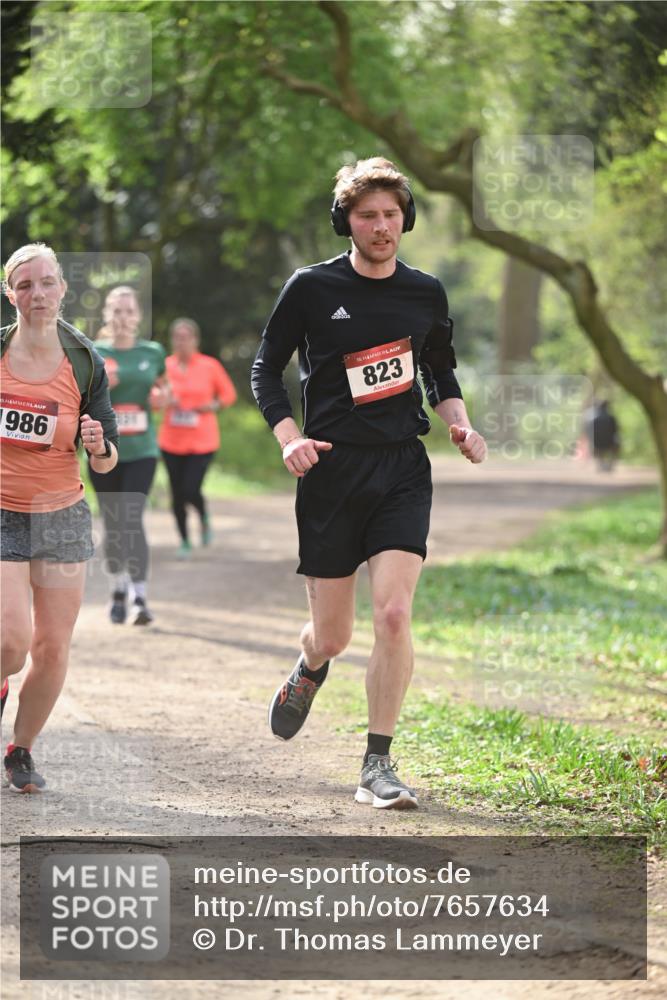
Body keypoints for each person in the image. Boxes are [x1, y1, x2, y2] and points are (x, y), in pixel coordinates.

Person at [251, 157, 487, 810]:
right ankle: (311, 665)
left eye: (390, 214)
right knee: (332, 636)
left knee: (393, 613)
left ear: (405, 219)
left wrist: (460, 423)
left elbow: (439, 368)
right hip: (330, 470)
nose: (381, 226)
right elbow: (265, 369)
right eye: (366, 216)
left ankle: (377, 764)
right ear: (345, 222)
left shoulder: (425, 292)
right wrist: (289, 438)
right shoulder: (311, 287)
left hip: (401, 469)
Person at [1, 243, 118, 792]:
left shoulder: (85, 360)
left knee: (51, 649)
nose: (38, 294)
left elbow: (107, 456)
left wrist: (98, 445)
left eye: (46, 282)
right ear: (11, 295)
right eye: (25, 285)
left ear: (62, 288)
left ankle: (20, 750)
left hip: (62, 517)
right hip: (2, 511)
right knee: (11, 641)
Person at [90, 286, 167, 625]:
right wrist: (102, 386)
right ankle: (118, 590)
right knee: (112, 522)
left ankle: (140, 598)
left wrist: (163, 398)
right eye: (117, 311)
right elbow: (77, 397)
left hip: (142, 450)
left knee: (132, 518)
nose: (123, 317)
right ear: (107, 314)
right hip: (103, 450)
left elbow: (164, 389)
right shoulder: (94, 352)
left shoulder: (153, 351)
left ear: (138, 315)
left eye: (129, 311)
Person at [158, 317, 237, 557]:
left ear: (195, 340)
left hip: (202, 440)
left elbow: (228, 394)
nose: (181, 342)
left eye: (185, 337)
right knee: (176, 493)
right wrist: (163, 399)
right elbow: (153, 395)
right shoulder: (165, 366)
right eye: (177, 337)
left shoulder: (209, 365)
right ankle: (184, 540)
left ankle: (203, 517)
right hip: (171, 440)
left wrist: (213, 405)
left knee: (191, 489)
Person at [585, 398, 620, 472]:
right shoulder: (611, 418)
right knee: (617, 444)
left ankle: (600, 464)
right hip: (609, 443)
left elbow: (591, 433)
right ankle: (610, 465)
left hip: (597, 444)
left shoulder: (594, 420)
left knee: (593, 445)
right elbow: (616, 431)